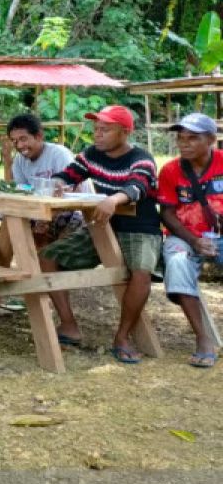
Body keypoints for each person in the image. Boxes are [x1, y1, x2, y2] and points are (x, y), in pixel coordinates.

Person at [43, 105, 161, 364]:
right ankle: (68, 324)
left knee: (141, 272)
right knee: (48, 256)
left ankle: (122, 337)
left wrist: (113, 199)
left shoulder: (142, 158)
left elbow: (137, 187)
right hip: (102, 225)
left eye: (105, 130)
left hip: (140, 227)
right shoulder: (91, 155)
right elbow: (69, 174)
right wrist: (58, 185)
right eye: (96, 129)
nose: (97, 134)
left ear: (125, 132)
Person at [155, 113, 221, 368]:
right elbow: (168, 214)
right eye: (181, 138)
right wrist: (194, 241)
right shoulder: (171, 170)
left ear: (211, 140)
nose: (184, 144)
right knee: (177, 262)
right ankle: (203, 338)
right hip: (185, 236)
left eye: (192, 138)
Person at [4, 113, 86, 245]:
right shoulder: (19, 160)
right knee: (5, 212)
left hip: (74, 210)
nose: (19, 146)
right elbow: (20, 190)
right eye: (14, 141)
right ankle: (33, 255)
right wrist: (7, 162)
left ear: (39, 136)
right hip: (41, 210)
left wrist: (45, 219)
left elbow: (73, 192)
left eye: (23, 139)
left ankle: (43, 255)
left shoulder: (59, 154)